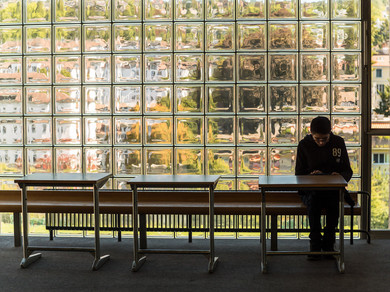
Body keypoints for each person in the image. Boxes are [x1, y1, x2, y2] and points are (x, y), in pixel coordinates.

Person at [295, 116, 353, 260]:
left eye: (325, 139)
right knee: (314, 205)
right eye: (317, 139)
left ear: (330, 133)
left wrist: (337, 176)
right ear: (311, 134)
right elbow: (299, 173)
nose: (321, 142)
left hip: (332, 189)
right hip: (311, 190)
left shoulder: (338, 143)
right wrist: (311, 175)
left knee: (334, 207)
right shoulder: (304, 145)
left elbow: (347, 170)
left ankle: (328, 245)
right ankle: (315, 245)